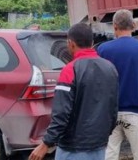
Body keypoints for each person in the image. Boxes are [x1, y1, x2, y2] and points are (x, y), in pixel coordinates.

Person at [29, 23, 119, 160]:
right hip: (99, 146)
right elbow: (113, 109)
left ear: (70, 43)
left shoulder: (70, 70)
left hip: (73, 149)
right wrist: (105, 136)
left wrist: (46, 143)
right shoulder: (110, 68)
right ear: (92, 42)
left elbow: (61, 113)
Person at [98, 9, 138, 160]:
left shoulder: (102, 50)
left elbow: (98, 81)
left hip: (110, 114)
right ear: (133, 25)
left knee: (108, 155)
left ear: (114, 26)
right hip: (136, 112)